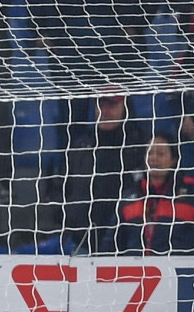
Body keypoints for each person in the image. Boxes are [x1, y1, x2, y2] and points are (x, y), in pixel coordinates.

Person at [63, 90, 149, 253]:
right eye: (101, 104)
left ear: (125, 108)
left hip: (126, 246)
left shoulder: (140, 145)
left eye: (112, 105)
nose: (105, 110)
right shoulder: (80, 145)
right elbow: (65, 188)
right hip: (81, 242)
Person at [115, 133, 194, 256]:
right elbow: (112, 244)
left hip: (179, 271)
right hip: (135, 272)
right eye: (149, 153)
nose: (153, 158)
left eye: (160, 153)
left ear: (173, 160)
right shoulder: (128, 197)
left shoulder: (193, 194)